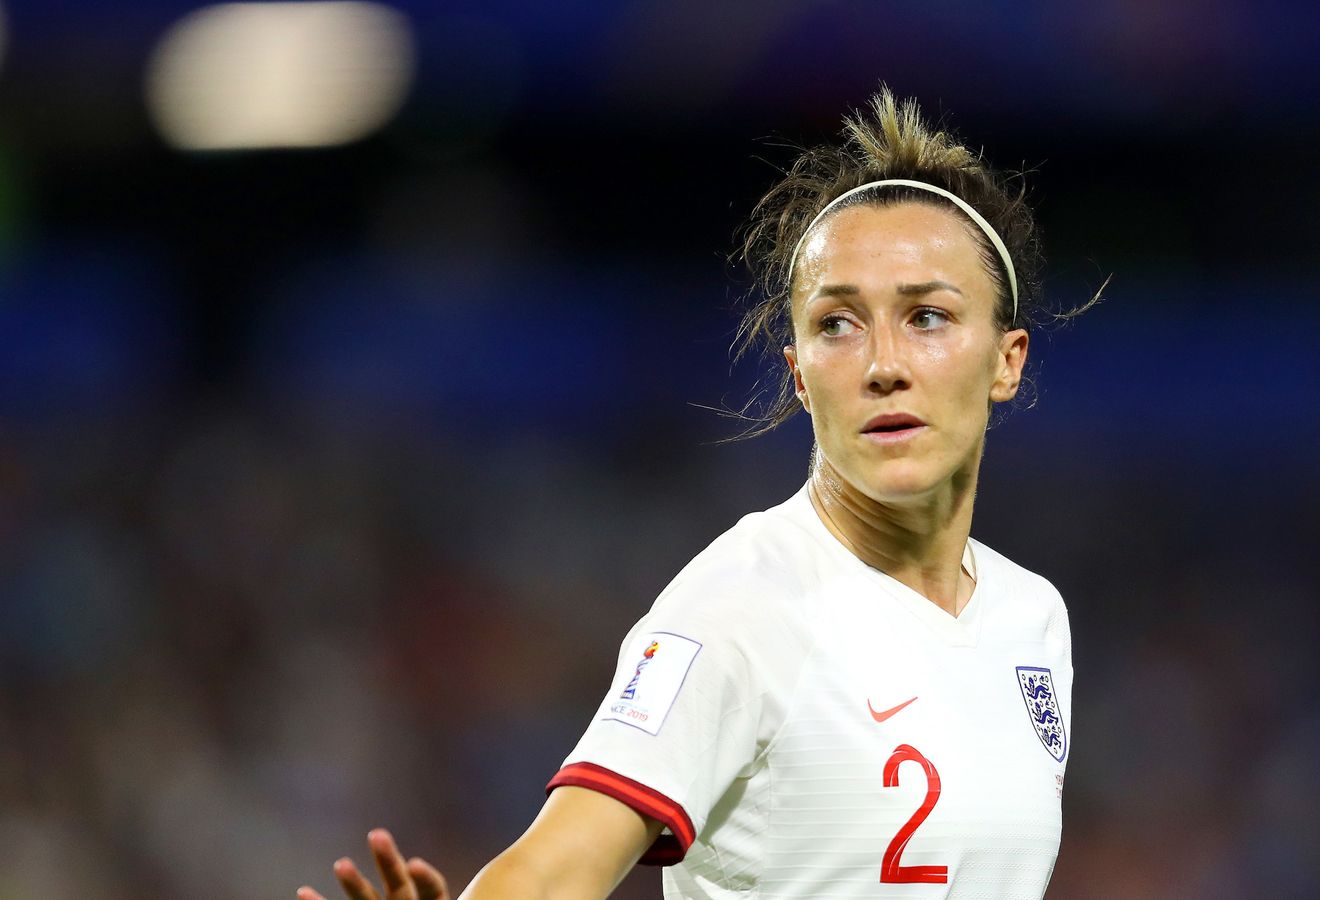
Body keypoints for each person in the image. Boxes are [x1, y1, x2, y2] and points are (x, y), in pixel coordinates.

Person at [300, 87, 1082, 900]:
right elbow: (560, 858)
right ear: (800, 377)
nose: (883, 363)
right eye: (837, 323)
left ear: (1007, 360)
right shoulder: (742, 605)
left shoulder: (1033, 620)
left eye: (927, 316)